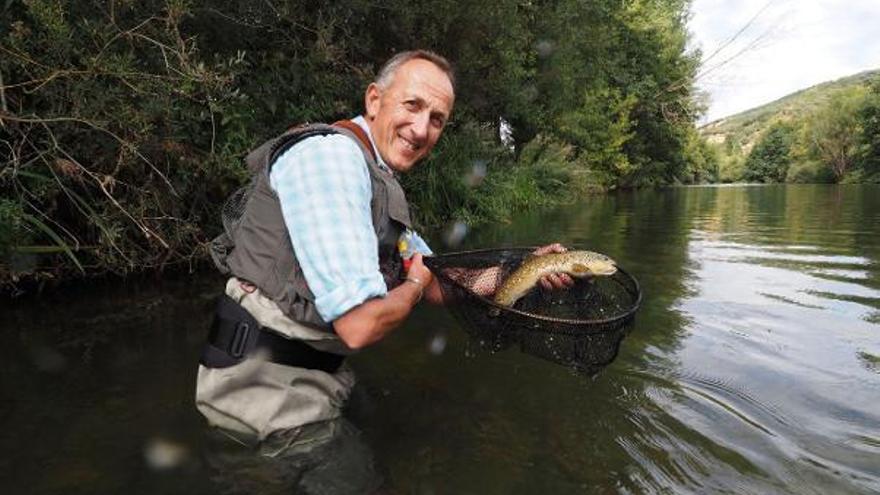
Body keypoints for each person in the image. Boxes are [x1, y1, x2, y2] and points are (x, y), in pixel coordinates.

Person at [194, 50, 571, 492]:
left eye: (437, 119)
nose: (421, 129)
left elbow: (440, 281)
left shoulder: (373, 176)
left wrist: (527, 271)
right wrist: (412, 284)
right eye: (412, 106)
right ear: (375, 100)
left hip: (316, 371)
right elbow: (361, 324)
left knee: (383, 436)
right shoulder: (331, 163)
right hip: (264, 390)